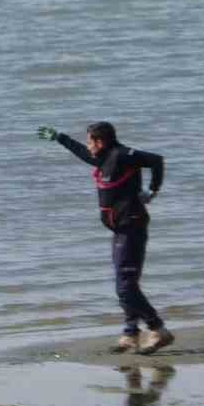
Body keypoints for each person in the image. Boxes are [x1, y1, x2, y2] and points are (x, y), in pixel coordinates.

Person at [37, 121, 174, 354]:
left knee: (125, 286)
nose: (88, 145)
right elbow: (82, 153)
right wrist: (60, 138)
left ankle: (157, 329)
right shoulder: (103, 157)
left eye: (90, 140)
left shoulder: (122, 155)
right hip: (120, 229)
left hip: (131, 225)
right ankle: (131, 333)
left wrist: (152, 190)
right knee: (125, 283)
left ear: (100, 142)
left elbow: (155, 160)